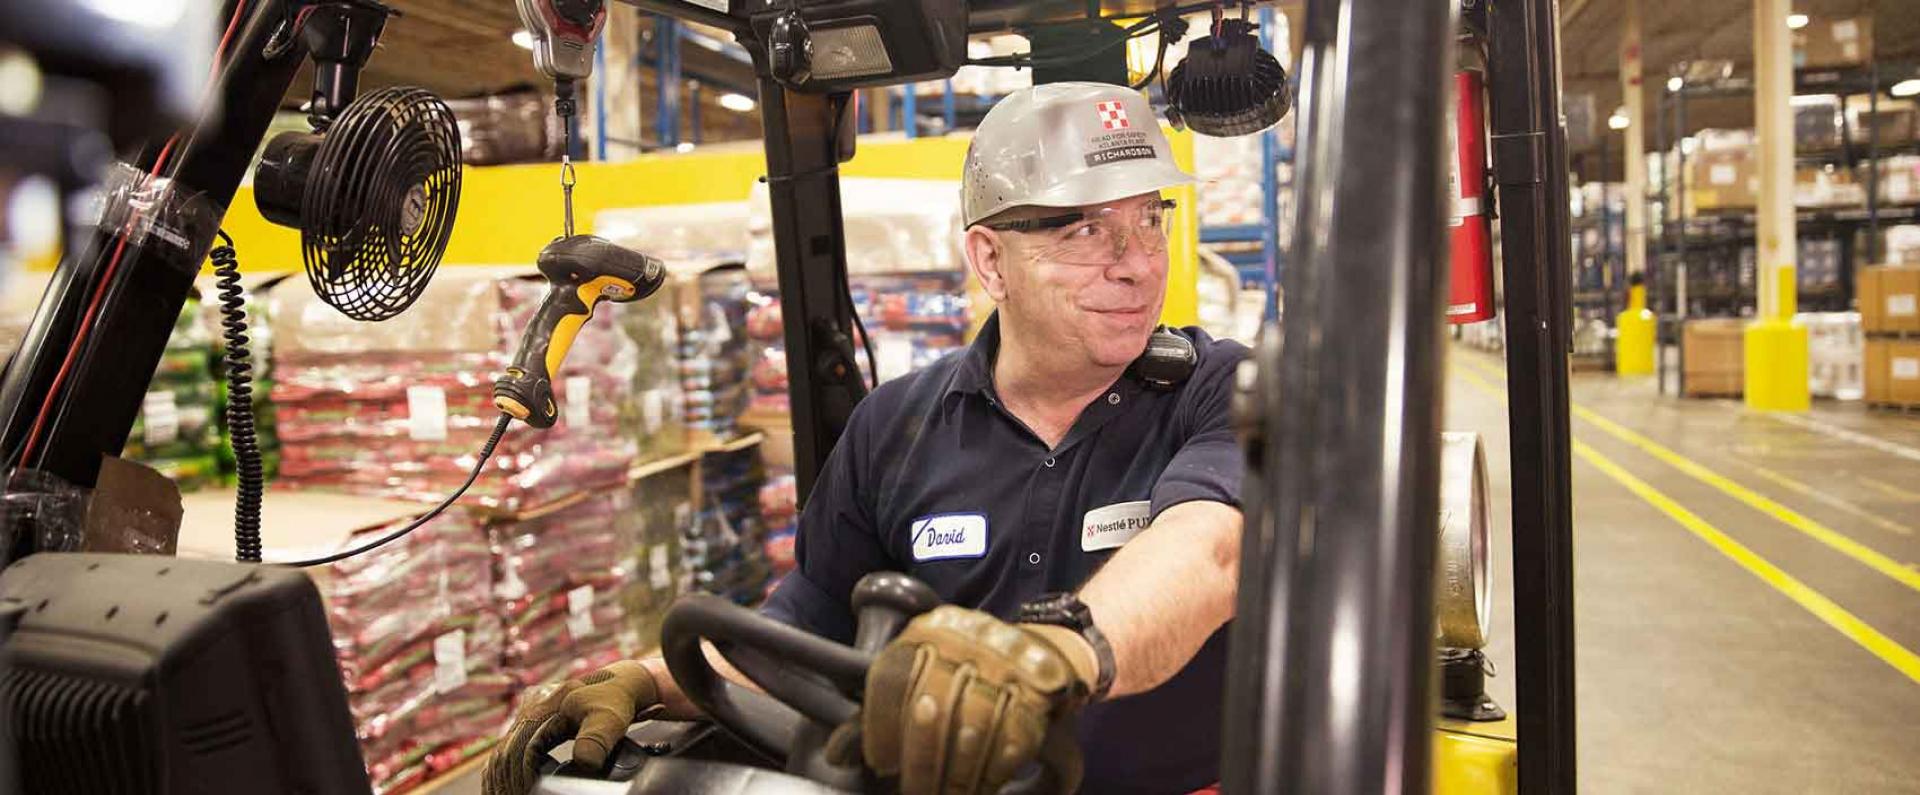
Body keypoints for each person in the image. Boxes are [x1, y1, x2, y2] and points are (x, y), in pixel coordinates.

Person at [483, 81, 1248, 795]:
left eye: (1150, 218)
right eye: (1087, 229)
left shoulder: (1217, 390)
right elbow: (808, 630)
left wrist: (1058, 654)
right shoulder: (897, 425)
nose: (1139, 264)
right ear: (990, 260)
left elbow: (1211, 549)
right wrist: (650, 680)